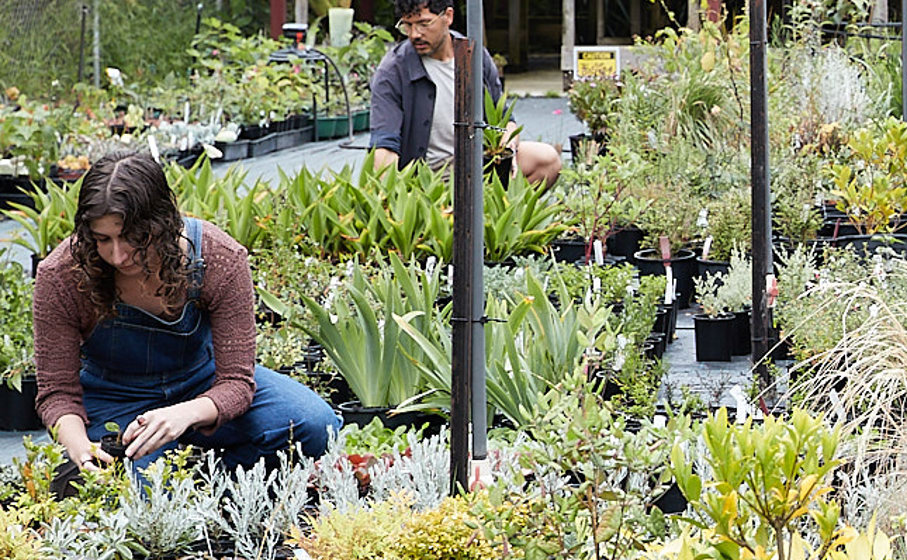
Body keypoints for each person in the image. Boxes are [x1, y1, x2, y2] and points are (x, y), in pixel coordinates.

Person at [32, 151, 341, 473]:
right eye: (102, 239)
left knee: (315, 423)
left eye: (133, 238)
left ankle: (218, 482)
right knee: (144, 500)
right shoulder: (62, 275)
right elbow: (57, 394)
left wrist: (183, 414)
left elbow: (236, 382)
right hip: (116, 398)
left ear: (163, 223)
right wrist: (80, 448)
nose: (118, 255)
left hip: (201, 384)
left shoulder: (217, 258)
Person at [368, 0, 561, 186]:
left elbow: (503, 120)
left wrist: (507, 148)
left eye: (424, 24)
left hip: (476, 164)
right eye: (407, 25)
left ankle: (495, 213)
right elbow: (385, 143)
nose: (414, 34)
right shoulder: (393, 71)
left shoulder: (474, 54)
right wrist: (388, 198)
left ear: (448, 16)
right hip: (426, 177)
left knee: (547, 160)